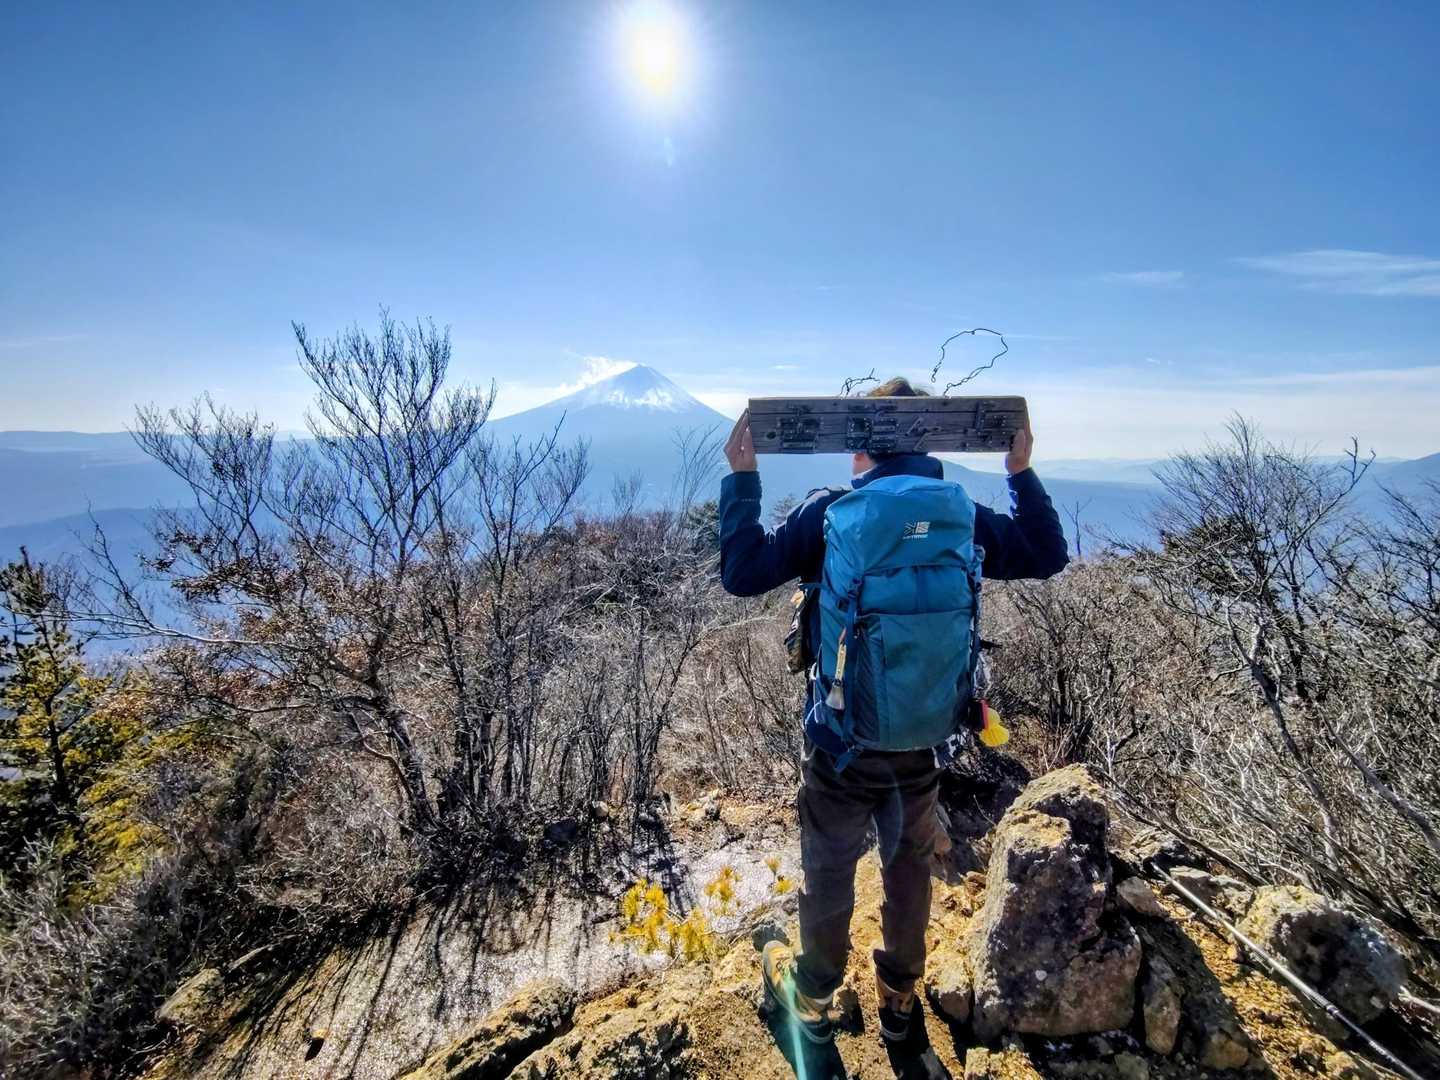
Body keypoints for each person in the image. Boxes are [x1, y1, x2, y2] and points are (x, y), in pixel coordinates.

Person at [717, 377, 1069, 1045]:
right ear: (927, 447)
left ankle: (815, 998)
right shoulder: (960, 515)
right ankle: (900, 999)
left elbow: (742, 573)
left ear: (861, 451)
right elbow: (1047, 554)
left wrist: (743, 482)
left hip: (840, 741)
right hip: (927, 736)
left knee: (829, 869)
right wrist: (1020, 472)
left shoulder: (833, 514)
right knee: (908, 868)